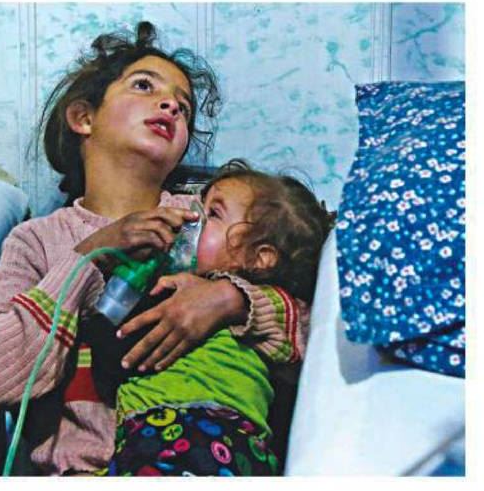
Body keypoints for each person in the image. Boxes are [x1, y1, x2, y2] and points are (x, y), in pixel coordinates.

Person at [0, 22, 306, 476]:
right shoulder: (37, 241)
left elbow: (315, 330)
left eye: (184, 107)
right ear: (84, 118)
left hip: (212, 459)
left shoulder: (208, 223)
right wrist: (89, 256)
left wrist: (231, 300)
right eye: (144, 86)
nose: (171, 105)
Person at [83, 160, 334, 476]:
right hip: (150, 438)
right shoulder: (165, 286)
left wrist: (234, 297)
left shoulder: (266, 310)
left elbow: (311, 334)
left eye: (213, 213)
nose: (191, 218)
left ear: (260, 257)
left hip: (206, 433)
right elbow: (111, 354)